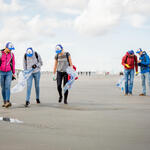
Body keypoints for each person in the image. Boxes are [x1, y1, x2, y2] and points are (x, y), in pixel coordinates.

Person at [0, 42, 15, 108]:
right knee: (3, 88)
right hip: (1, 72)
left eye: (11, 49)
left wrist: (13, 73)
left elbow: (13, 64)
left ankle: (8, 101)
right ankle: (5, 101)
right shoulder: (0, 54)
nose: (10, 50)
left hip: (9, 72)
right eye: (9, 49)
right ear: (6, 47)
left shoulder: (12, 54)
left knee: (7, 87)